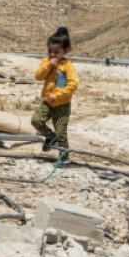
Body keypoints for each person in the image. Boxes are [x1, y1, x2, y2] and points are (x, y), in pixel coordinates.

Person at [31, 27, 80, 162]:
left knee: (61, 133)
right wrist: (49, 65)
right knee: (36, 120)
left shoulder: (67, 65)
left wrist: (58, 96)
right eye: (50, 51)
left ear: (65, 51)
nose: (52, 54)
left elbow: (73, 84)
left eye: (56, 52)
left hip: (62, 105)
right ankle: (50, 136)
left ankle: (64, 158)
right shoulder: (46, 62)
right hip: (48, 102)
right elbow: (38, 76)